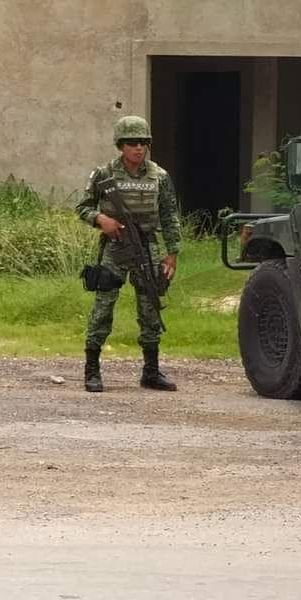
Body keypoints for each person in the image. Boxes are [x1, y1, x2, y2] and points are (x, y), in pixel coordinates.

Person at [75, 116, 180, 393]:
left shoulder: (159, 176)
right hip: (116, 247)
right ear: (121, 145)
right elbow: (83, 207)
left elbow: (170, 215)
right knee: (103, 306)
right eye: (132, 143)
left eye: (143, 143)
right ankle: (92, 369)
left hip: (148, 248)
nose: (139, 148)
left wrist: (172, 254)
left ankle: (151, 372)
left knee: (150, 307)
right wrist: (101, 220)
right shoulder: (104, 174)